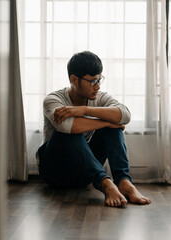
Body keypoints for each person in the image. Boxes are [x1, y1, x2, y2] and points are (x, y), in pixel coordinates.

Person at [37, 51, 151, 207]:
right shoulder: (53, 99)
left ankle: (124, 182)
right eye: (92, 82)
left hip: (84, 172)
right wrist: (106, 122)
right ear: (74, 80)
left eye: (99, 80)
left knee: (113, 126)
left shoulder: (99, 97)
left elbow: (125, 115)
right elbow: (66, 126)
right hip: (55, 172)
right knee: (69, 131)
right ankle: (106, 184)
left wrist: (85, 110)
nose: (97, 86)